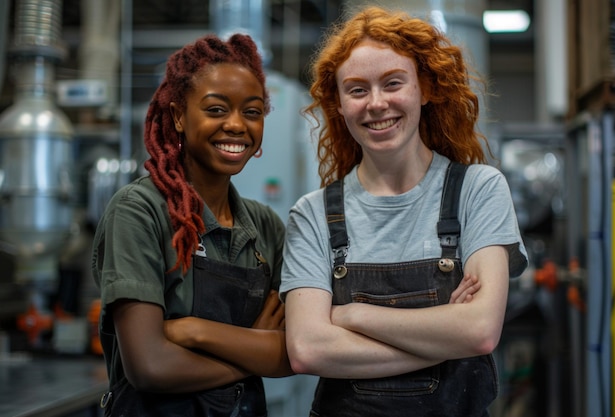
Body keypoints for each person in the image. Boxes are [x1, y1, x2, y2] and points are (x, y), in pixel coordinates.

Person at [280, 6, 528, 417]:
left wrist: (350, 315)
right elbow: (307, 350)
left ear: (424, 89)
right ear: (339, 104)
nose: (377, 104)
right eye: (357, 90)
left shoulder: (478, 190)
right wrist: (445, 336)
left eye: (393, 83)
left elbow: (480, 332)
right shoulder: (312, 215)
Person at [92, 33, 292, 417]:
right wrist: (253, 350)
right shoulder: (140, 212)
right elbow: (149, 366)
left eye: (251, 112)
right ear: (179, 116)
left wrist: (192, 331)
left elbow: (291, 355)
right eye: (216, 109)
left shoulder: (265, 226)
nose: (236, 125)